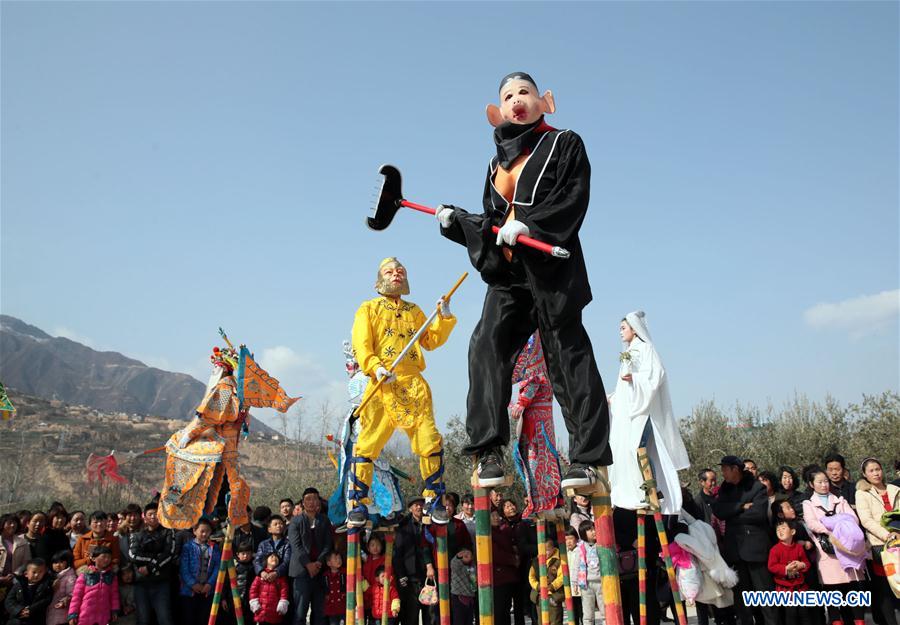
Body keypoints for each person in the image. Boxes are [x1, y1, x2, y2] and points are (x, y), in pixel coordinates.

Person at [436, 71, 611, 489]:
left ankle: (586, 459)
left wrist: (533, 224)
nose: (517, 99)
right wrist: (456, 223)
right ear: (496, 112)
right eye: (508, 95)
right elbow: (493, 223)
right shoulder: (494, 163)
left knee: (568, 359)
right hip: (510, 277)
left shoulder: (565, 142)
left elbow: (574, 197)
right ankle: (488, 452)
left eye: (525, 92)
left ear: (544, 101)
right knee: (485, 345)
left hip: (552, 271)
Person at [348, 257, 457, 526]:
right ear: (379, 278)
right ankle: (358, 503)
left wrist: (443, 317)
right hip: (381, 383)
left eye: (401, 271)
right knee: (367, 443)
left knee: (429, 439)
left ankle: (434, 498)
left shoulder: (415, 310)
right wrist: (374, 367)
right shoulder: (368, 309)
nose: (396, 274)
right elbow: (361, 345)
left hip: (412, 385)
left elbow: (431, 340)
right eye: (390, 271)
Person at [608, 311, 689, 514]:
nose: (620, 332)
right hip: (630, 412)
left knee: (638, 447)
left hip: (643, 411)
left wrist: (636, 379)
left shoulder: (646, 348)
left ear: (634, 328)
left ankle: (652, 488)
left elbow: (657, 374)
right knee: (627, 450)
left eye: (623, 328)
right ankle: (639, 490)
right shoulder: (628, 353)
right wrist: (614, 397)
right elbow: (624, 388)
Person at [711, 455, 777, 625]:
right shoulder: (724, 490)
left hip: (755, 550)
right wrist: (741, 507)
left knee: (765, 596)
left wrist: (732, 513)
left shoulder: (756, 487)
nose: (723, 473)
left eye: (725, 469)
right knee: (742, 600)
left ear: (735, 469)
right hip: (735, 550)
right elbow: (719, 511)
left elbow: (758, 514)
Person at [509, 332, 565, 517]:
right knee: (533, 460)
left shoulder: (536, 361)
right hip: (535, 420)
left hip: (538, 423)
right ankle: (542, 502)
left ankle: (544, 503)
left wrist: (521, 403)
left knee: (537, 460)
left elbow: (533, 383)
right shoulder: (538, 365)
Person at [802, 469, 867, 625]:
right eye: (820, 482)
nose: (824, 485)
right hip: (827, 552)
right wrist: (832, 528)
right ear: (812, 484)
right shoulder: (808, 504)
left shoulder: (840, 500)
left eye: (826, 481)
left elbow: (853, 519)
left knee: (853, 591)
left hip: (847, 549)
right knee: (832, 592)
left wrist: (835, 526)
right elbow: (812, 523)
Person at [855, 458, 899, 625]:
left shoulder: (895, 490)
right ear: (865, 474)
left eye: (878, 469)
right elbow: (866, 520)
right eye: (871, 470)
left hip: (899, 542)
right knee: (884, 589)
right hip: (880, 546)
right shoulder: (863, 493)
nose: (876, 473)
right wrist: (886, 535)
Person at [288, 487, 333, 625]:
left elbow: (328, 544)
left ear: (319, 502)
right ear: (303, 503)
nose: (312, 502)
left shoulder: (324, 520)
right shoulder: (296, 522)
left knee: (319, 613)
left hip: (320, 571)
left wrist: (318, 562)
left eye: (315, 498)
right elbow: (296, 546)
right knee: (300, 612)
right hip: (301, 572)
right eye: (308, 499)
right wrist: (308, 565)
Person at [129, 502, 175, 625]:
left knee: (164, 618)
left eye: (156, 514)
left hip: (161, 582)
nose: (153, 517)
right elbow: (134, 555)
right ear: (144, 516)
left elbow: (169, 554)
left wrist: (150, 567)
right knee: (143, 619)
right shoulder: (137, 535)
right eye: (150, 514)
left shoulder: (168, 532)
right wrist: (156, 558)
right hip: (141, 583)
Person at [394, 497, 435, 625]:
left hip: (428, 577)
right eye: (416, 505)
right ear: (410, 508)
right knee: (410, 616)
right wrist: (401, 576)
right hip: (410, 579)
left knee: (430, 615)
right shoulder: (403, 526)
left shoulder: (431, 523)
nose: (419, 507)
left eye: (421, 504)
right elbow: (398, 554)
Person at [767, 520, 812, 625]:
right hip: (785, 588)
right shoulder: (775, 549)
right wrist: (785, 569)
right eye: (777, 529)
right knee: (790, 615)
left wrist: (802, 565)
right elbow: (771, 566)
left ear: (792, 532)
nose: (780, 531)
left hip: (800, 587)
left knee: (804, 613)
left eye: (783, 528)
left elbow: (807, 563)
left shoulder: (799, 547)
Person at [178, 518, 221, 625]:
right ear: (194, 531)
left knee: (204, 619)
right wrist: (193, 584)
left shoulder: (214, 547)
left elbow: (217, 567)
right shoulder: (188, 547)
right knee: (189, 619)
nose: (205, 534)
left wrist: (210, 584)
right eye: (202, 531)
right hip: (189, 591)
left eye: (208, 531)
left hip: (207, 590)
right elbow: (184, 569)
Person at [68, 546, 119, 625]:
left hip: (104, 616)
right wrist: (73, 614)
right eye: (103, 556)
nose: (106, 559)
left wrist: (114, 610)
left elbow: (114, 596)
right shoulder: (85, 575)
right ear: (93, 558)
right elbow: (76, 597)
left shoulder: (112, 576)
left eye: (109, 557)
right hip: (85, 616)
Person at [569, 521, 602, 625]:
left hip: (601, 582)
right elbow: (576, 566)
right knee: (588, 614)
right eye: (590, 530)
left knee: (605, 611)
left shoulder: (601, 544)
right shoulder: (581, 547)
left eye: (594, 529)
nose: (594, 531)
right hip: (586, 584)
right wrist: (574, 583)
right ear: (583, 533)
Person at [5, 558, 53, 625]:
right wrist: (19, 611)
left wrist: (30, 610)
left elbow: (45, 601)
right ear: (26, 574)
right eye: (34, 572)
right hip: (16, 619)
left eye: (40, 572)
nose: (37, 575)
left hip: (35, 619)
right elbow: (9, 601)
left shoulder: (45, 587)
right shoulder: (18, 585)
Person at [249, 553, 290, 625]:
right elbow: (253, 590)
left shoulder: (280, 578)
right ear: (266, 560)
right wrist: (254, 602)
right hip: (261, 610)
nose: (274, 558)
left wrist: (283, 603)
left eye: (276, 557)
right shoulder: (260, 576)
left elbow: (284, 591)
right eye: (272, 556)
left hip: (274, 611)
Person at [255, 516, 291, 582]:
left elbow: (287, 561)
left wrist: (276, 572)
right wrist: (261, 572)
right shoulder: (263, 544)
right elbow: (257, 560)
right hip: (264, 579)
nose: (279, 526)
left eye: (281, 524)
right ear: (269, 529)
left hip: (281, 579)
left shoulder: (287, 544)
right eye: (275, 524)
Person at [46, 551, 76, 625]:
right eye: (55, 563)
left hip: (62, 613)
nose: (57, 565)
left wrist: (63, 601)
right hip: (51, 612)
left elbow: (72, 594)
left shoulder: (70, 577)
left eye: (61, 562)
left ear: (67, 563)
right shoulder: (51, 576)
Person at [450, 547, 476, 625]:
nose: (467, 556)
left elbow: (474, 583)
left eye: (469, 555)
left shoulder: (472, 567)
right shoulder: (457, 566)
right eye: (465, 555)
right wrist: (458, 556)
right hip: (458, 597)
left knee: (469, 621)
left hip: (470, 598)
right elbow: (454, 563)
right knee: (459, 621)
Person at [322, 552, 345, 625]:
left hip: (343, 607)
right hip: (331, 608)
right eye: (335, 558)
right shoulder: (325, 575)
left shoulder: (345, 572)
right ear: (329, 563)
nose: (338, 560)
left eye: (339, 558)